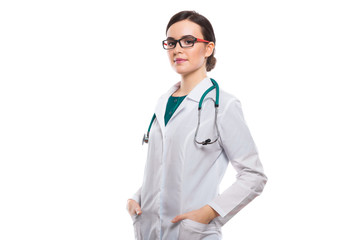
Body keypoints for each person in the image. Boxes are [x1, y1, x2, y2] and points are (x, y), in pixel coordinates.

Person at [126, 10, 267, 240]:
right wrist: (137, 198)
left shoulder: (223, 105)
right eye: (171, 42)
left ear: (208, 48)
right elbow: (165, 168)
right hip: (150, 230)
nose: (177, 49)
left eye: (188, 41)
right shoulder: (163, 102)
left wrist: (209, 212)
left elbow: (254, 175)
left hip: (193, 233)